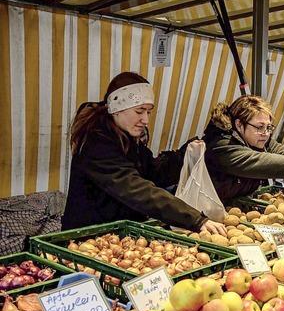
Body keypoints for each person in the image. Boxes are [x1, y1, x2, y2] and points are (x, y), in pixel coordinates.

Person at [62, 72, 226, 236]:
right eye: (139, 111)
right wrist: (195, 219)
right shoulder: (95, 143)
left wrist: (185, 154)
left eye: (148, 112)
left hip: (120, 234)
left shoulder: (129, 139)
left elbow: (153, 172)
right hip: (87, 237)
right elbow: (135, 188)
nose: (146, 120)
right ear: (117, 109)